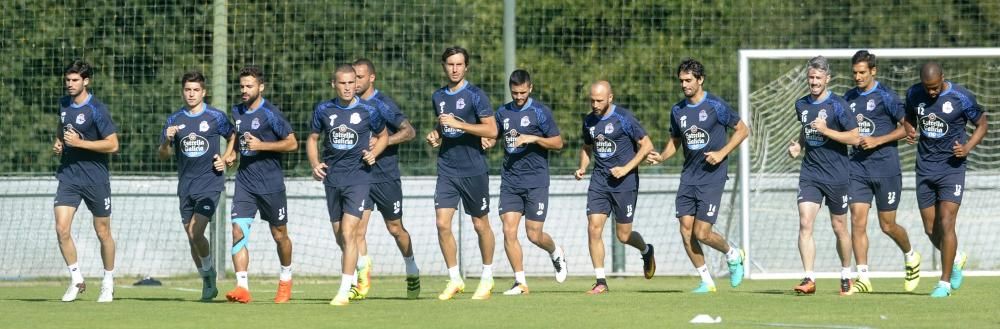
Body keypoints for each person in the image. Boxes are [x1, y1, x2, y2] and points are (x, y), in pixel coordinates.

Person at [646, 59, 748, 294]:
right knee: (685, 229)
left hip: (712, 177)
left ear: (700, 80)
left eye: (689, 80)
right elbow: (675, 141)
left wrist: (722, 153)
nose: (684, 85)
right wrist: (661, 157)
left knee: (702, 233)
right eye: (681, 80)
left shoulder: (715, 105)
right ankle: (706, 281)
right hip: (688, 177)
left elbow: (743, 130)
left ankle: (733, 255)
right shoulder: (678, 110)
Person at [902, 62, 987, 298]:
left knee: (947, 222)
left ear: (943, 78)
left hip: (952, 169)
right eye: (927, 88)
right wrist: (909, 129)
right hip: (925, 168)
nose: (931, 92)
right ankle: (957, 258)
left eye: (935, 87)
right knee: (931, 229)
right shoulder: (913, 93)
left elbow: (982, 123)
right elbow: (908, 117)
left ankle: (944, 283)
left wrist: (968, 147)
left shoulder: (961, 97)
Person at [307, 64, 389, 306]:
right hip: (332, 179)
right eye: (342, 83)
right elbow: (312, 139)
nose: (347, 87)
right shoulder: (323, 109)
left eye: (351, 83)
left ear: (357, 84)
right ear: (334, 84)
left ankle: (345, 289)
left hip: (359, 178)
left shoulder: (368, 110)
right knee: (340, 238)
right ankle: (361, 266)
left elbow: (383, 135)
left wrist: (375, 153)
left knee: (348, 232)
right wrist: (315, 164)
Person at [841, 50, 920, 295]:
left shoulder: (886, 96)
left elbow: (908, 129)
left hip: (886, 169)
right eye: (854, 72)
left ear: (873, 71)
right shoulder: (848, 98)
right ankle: (863, 277)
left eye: (862, 72)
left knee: (887, 225)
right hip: (857, 169)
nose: (857, 77)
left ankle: (910, 256)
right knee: (857, 220)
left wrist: (877, 140)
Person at [425, 46, 498, 300]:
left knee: (480, 225)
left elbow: (491, 131)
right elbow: (443, 125)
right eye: (450, 64)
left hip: (473, 169)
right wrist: (436, 135)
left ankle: (487, 277)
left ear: (466, 67)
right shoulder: (438, 96)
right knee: (441, 223)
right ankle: (455, 278)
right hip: (446, 169)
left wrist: (460, 125)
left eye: (459, 64)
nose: (454, 69)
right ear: (444, 66)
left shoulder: (476, 95)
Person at [157, 71, 235, 301]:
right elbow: (163, 155)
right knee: (192, 237)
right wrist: (166, 140)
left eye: (195, 90)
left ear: (204, 92)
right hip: (186, 186)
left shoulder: (215, 116)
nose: (191, 94)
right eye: (187, 90)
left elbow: (234, 136)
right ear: (183, 91)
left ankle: (209, 272)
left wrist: (226, 158)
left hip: (210, 183)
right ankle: (207, 278)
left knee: (195, 230)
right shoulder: (174, 120)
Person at [786, 56, 859, 295]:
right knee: (805, 222)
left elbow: (854, 137)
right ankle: (809, 277)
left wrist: (827, 130)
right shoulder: (801, 105)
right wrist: (798, 145)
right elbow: (806, 129)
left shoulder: (838, 105)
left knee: (839, 227)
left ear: (827, 79)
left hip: (837, 175)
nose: (814, 82)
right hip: (810, 174)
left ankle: (846, 273)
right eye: (811, 77)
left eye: (818, 78)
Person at [225, 65, 298, 304]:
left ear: (261, 87)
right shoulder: (236, 111)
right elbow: (236, 134)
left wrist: (262, 146)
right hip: (245, 182)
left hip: (271, 184)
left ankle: (285, 279)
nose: (244, 90)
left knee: (279, 236)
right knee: (237, 232)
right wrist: (231, 153)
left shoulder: (271, 114)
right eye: (242, 86)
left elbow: (292, 143)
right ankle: (242, 287)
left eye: (249, 86)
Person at [575, 80, 655, 294]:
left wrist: (625, 168)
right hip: (599, 181)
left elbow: (647, 145)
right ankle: (601, 281)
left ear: (610, 98)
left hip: (625, 182)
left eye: (599, 100)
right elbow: (587, 147)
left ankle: (646, 251)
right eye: (592, 100)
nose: (594, 104)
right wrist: (582, 167)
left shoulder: (624, 118)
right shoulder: (589, 121)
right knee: (593, 227)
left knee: (624, 235)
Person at [493, 69, 568, 295]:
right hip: (510, 181)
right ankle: (520, 282)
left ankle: (556, 252)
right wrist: (487, 140)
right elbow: (494, 134)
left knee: (534, 234)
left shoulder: (540, 112)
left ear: (530, 88)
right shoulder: (502, 112)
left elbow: (558, 143)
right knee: (508, 231)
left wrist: (533, 138)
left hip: (536, 181)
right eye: (515, 93)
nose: (518, 97)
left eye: (522, 92)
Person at [351, 59, 421, 300]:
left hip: (386, 176)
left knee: (395, 228)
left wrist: (383, 142)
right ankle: (362, 277)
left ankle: (411, 267)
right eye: (353, 77)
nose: (355, 82)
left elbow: (409, 132)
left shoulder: (383, 104)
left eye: (360, 77)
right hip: (360, 177)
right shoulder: (349, 106)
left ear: (372, 78)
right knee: (357, 230)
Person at [53, 59, 120, 303]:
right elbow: (62, 127)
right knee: (61, 229)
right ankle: (76, 279)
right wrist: (59, 141)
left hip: (95, 178)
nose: (70, 84)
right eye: (67, 80)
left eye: (74, 80)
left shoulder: (97, 110)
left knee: (103, 231)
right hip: (69, 176)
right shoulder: (63, 103)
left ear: (86, 81)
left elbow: (113, 144)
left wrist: (81, 144)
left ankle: (108, 281)